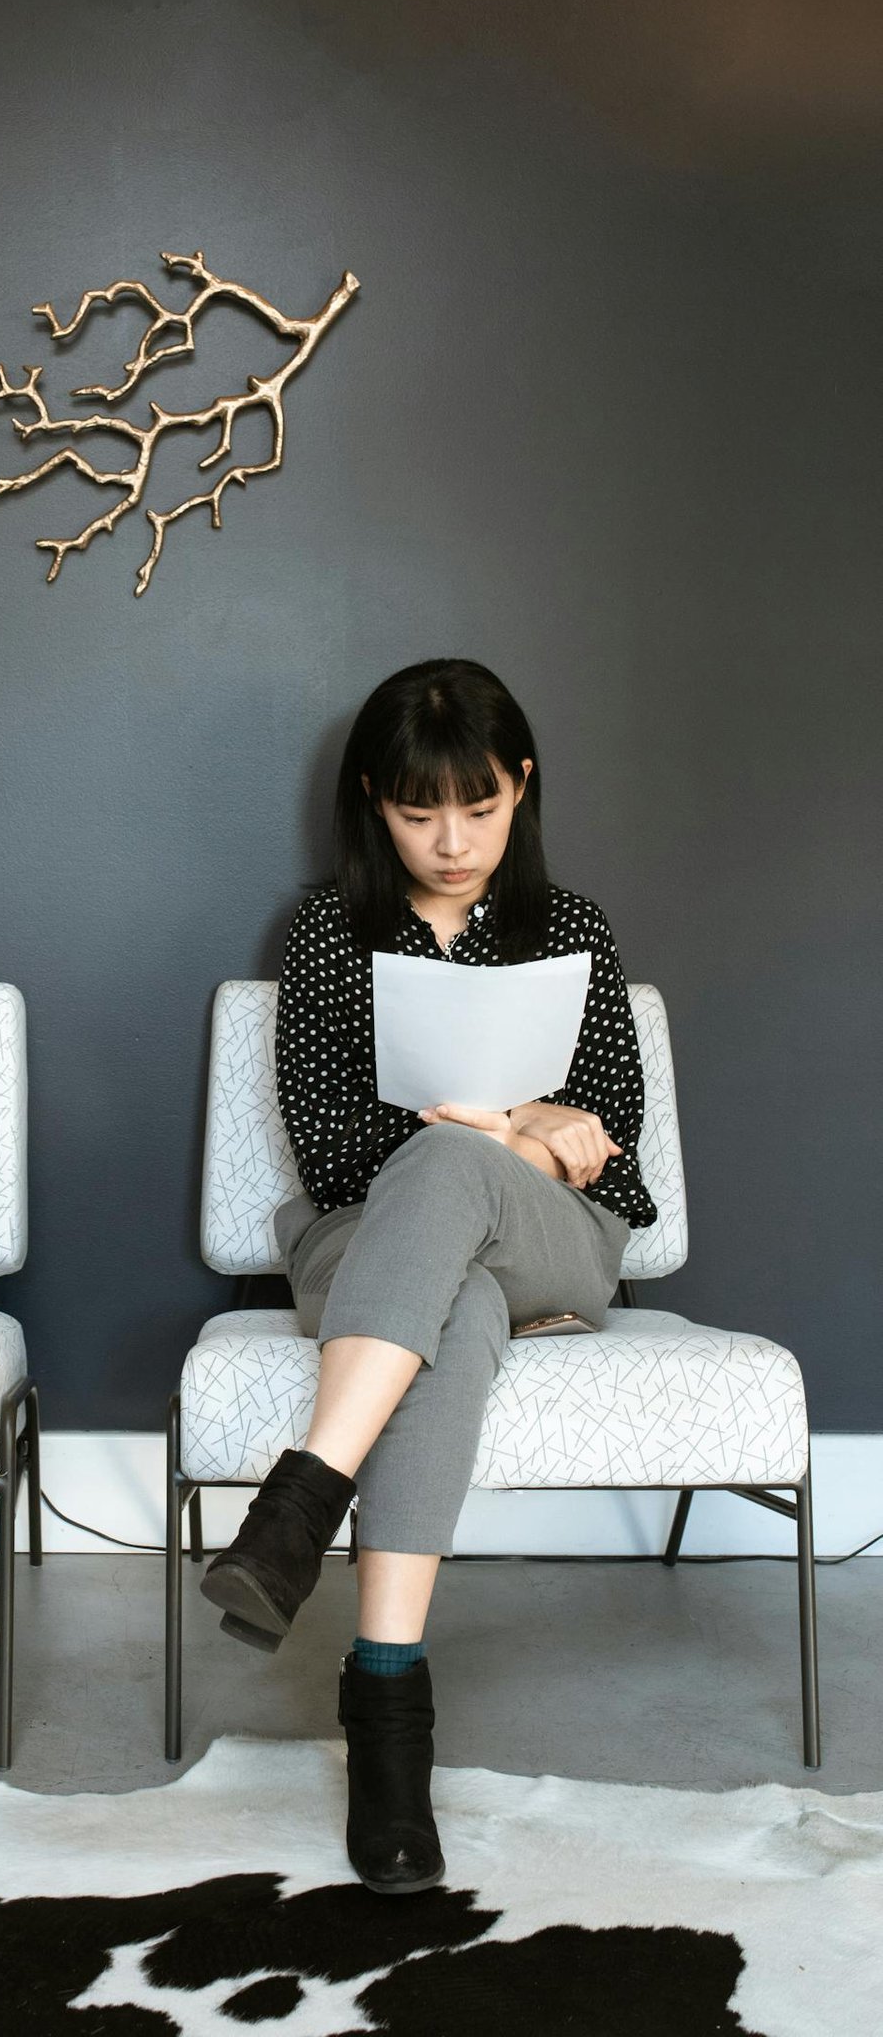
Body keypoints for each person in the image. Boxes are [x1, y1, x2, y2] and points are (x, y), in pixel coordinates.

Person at [199, 658, 655, 1895]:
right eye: (417, 813)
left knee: (457, 1170)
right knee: (443, 1278)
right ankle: (388, 1724)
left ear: (520, 788)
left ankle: (301, 1501)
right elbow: (330, 1142)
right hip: (368, 1241)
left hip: (552, 1238)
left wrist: (508, 1136)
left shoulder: (573, 929)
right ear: (371, 803)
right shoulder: (326, 931)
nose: (451, 842)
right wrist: (507, 1127)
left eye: (477, 809)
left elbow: (612, 1141)